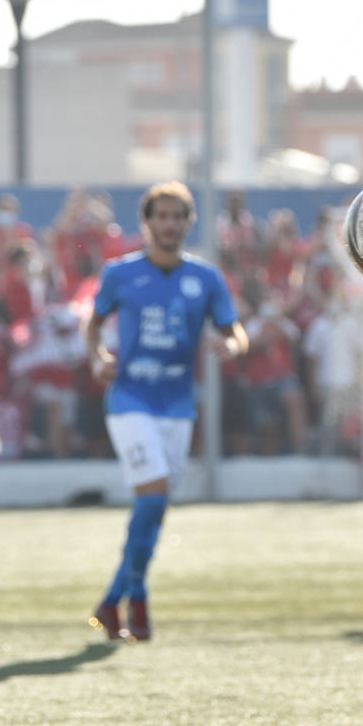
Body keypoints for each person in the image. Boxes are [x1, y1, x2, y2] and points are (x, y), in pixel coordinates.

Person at [84, 181, 248, 642]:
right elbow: (93, 324)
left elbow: (236, 330)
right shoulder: (120, 274)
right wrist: (97, 357)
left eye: (179, 216)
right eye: (162, 215)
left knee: (153, 510)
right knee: (153, 496)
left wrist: (229, 345)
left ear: (188, 223)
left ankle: (112, 601)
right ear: (147, 222)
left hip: (177, 406)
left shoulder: (206, 278)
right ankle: (136, 599)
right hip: (129, 399)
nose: (170, 224)